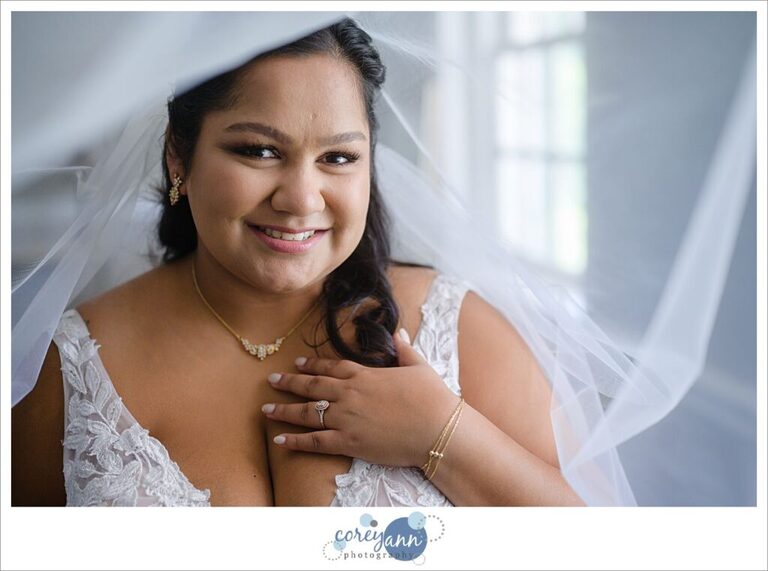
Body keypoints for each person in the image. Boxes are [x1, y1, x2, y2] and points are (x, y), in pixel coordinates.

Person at [11, 18, 585, 507]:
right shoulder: (66, 371)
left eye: (338, 157)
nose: (302, 200)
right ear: (178, 156)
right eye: (260, 151)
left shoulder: (455, 328)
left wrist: (442, 435)